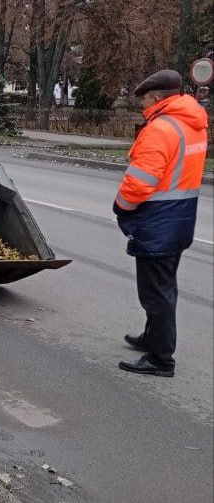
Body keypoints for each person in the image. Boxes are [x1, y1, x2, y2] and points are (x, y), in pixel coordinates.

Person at [113, 69, 209, 377]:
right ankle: (152, 337)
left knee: (155, 293)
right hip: (180, 218)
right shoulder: (192, 124)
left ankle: (160, 358)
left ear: (156, 97)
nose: (142, 104)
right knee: (165, 286)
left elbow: (140, 181)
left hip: (157, 221)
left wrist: (121, 207)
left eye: (144, 98)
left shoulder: (160, 129)